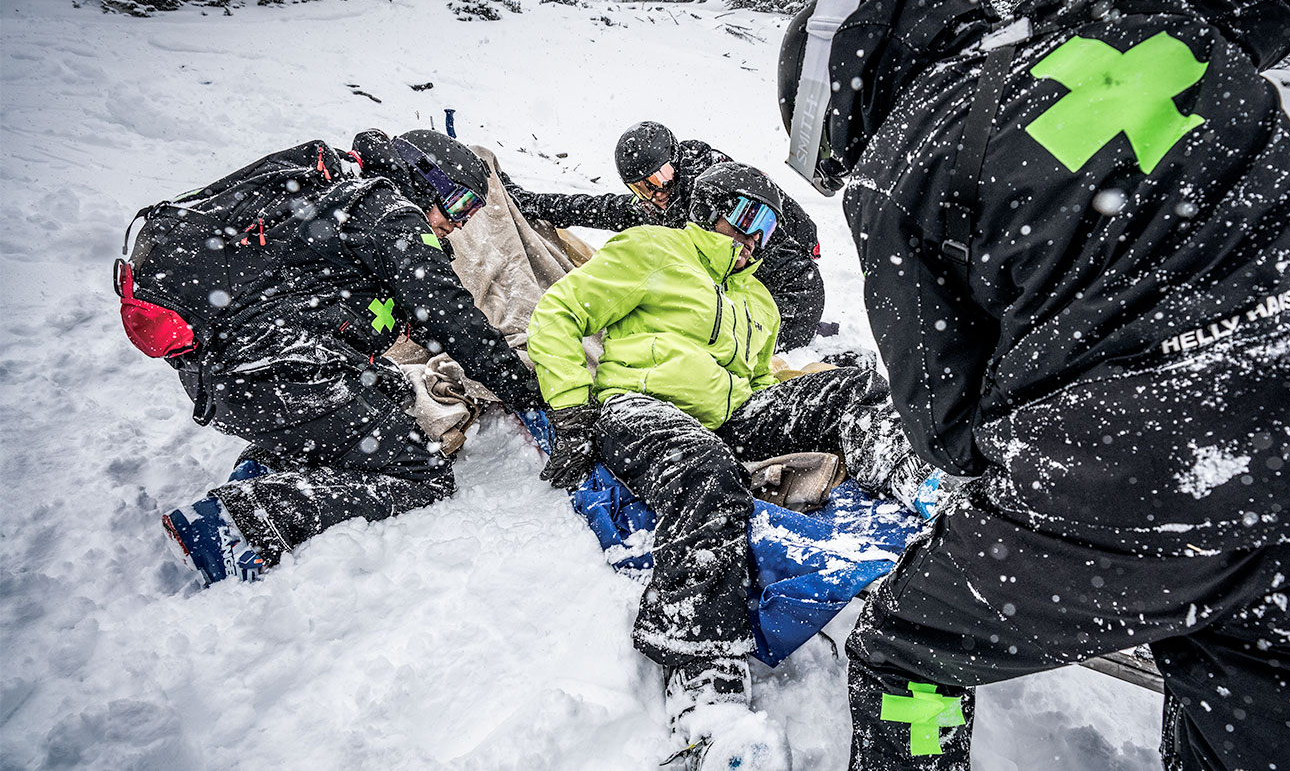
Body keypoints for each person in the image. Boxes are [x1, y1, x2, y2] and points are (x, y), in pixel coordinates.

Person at [777, 0, 1290, 770]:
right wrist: (1128, 8)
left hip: (1147, 469)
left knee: (909, 650)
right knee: (1280, 739)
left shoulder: (898, 160)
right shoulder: (1129, 19)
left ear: (845, 91)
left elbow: (951, 432)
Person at [527, 161, 934, 764]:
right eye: (745, 215)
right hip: (645, 405)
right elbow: (558, 315)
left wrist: (811, 392)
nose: (754, 235)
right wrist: (569, 412)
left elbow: (760, 375)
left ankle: (919, 483)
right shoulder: (653, 251)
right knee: (708, 477)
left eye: (768, 226)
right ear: (710, 208)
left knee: (849, 387)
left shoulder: (758, 297)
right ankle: (699, 662)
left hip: (732, 415)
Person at [156, 129, 543, 586]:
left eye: (472, 214)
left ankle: (262, 471)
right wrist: (531, 392)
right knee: (424, 476)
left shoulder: (344, 200)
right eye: (458, 205)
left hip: (237, 381)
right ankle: (239, 521)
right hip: (288, 375)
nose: (459, 223)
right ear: (424, 179)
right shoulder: (391, 214)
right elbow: (454, 321)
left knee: (393, 389)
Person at [503, 121, 828, 350]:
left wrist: (806, 238)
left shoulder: (716, 193)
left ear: (677, 160)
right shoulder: (658, 204)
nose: (656, 191)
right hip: (752, 295)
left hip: (792, 296)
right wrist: (533, 203)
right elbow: (600, 209)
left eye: (661, 177)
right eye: (642, 186)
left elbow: (773, 204)